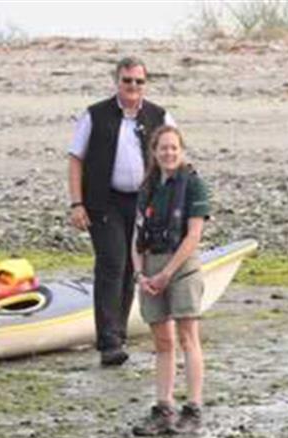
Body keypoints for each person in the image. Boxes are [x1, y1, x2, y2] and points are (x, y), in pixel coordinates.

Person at [67, 56, 176, 367]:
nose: (133, 87)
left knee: (131, 268)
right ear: (117, 81)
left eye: (139, 81)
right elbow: (76, 160)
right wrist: (77, 203)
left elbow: (175, 157)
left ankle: (119, 333)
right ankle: (109, 342)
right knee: (111, 264)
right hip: (104, 202)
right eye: (127, 80)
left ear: (145, 83)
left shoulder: (160, 116)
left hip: (144, 204)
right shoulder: (95, 115)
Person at [130, 126, 211, 436]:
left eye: (173, 148)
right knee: (162, 342)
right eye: (163, 148)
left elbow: (193, 236)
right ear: (154, 152)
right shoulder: (147, 188)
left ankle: (193, 408)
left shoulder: (194, 186)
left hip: (181, 267)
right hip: (150, 266)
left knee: (188, 336)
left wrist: (167, 274)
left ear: (182, 150)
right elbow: (135, 236)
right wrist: (140, 274)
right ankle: (163, 408)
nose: (168, 153)